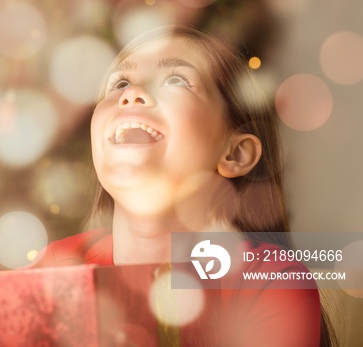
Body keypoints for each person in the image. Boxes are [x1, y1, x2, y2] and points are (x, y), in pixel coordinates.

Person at [32, 26, 336, 347]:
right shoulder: (55, 267)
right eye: (120, 82)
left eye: (175, 80)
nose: (131, 93)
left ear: (235, 153)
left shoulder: (272, 283)